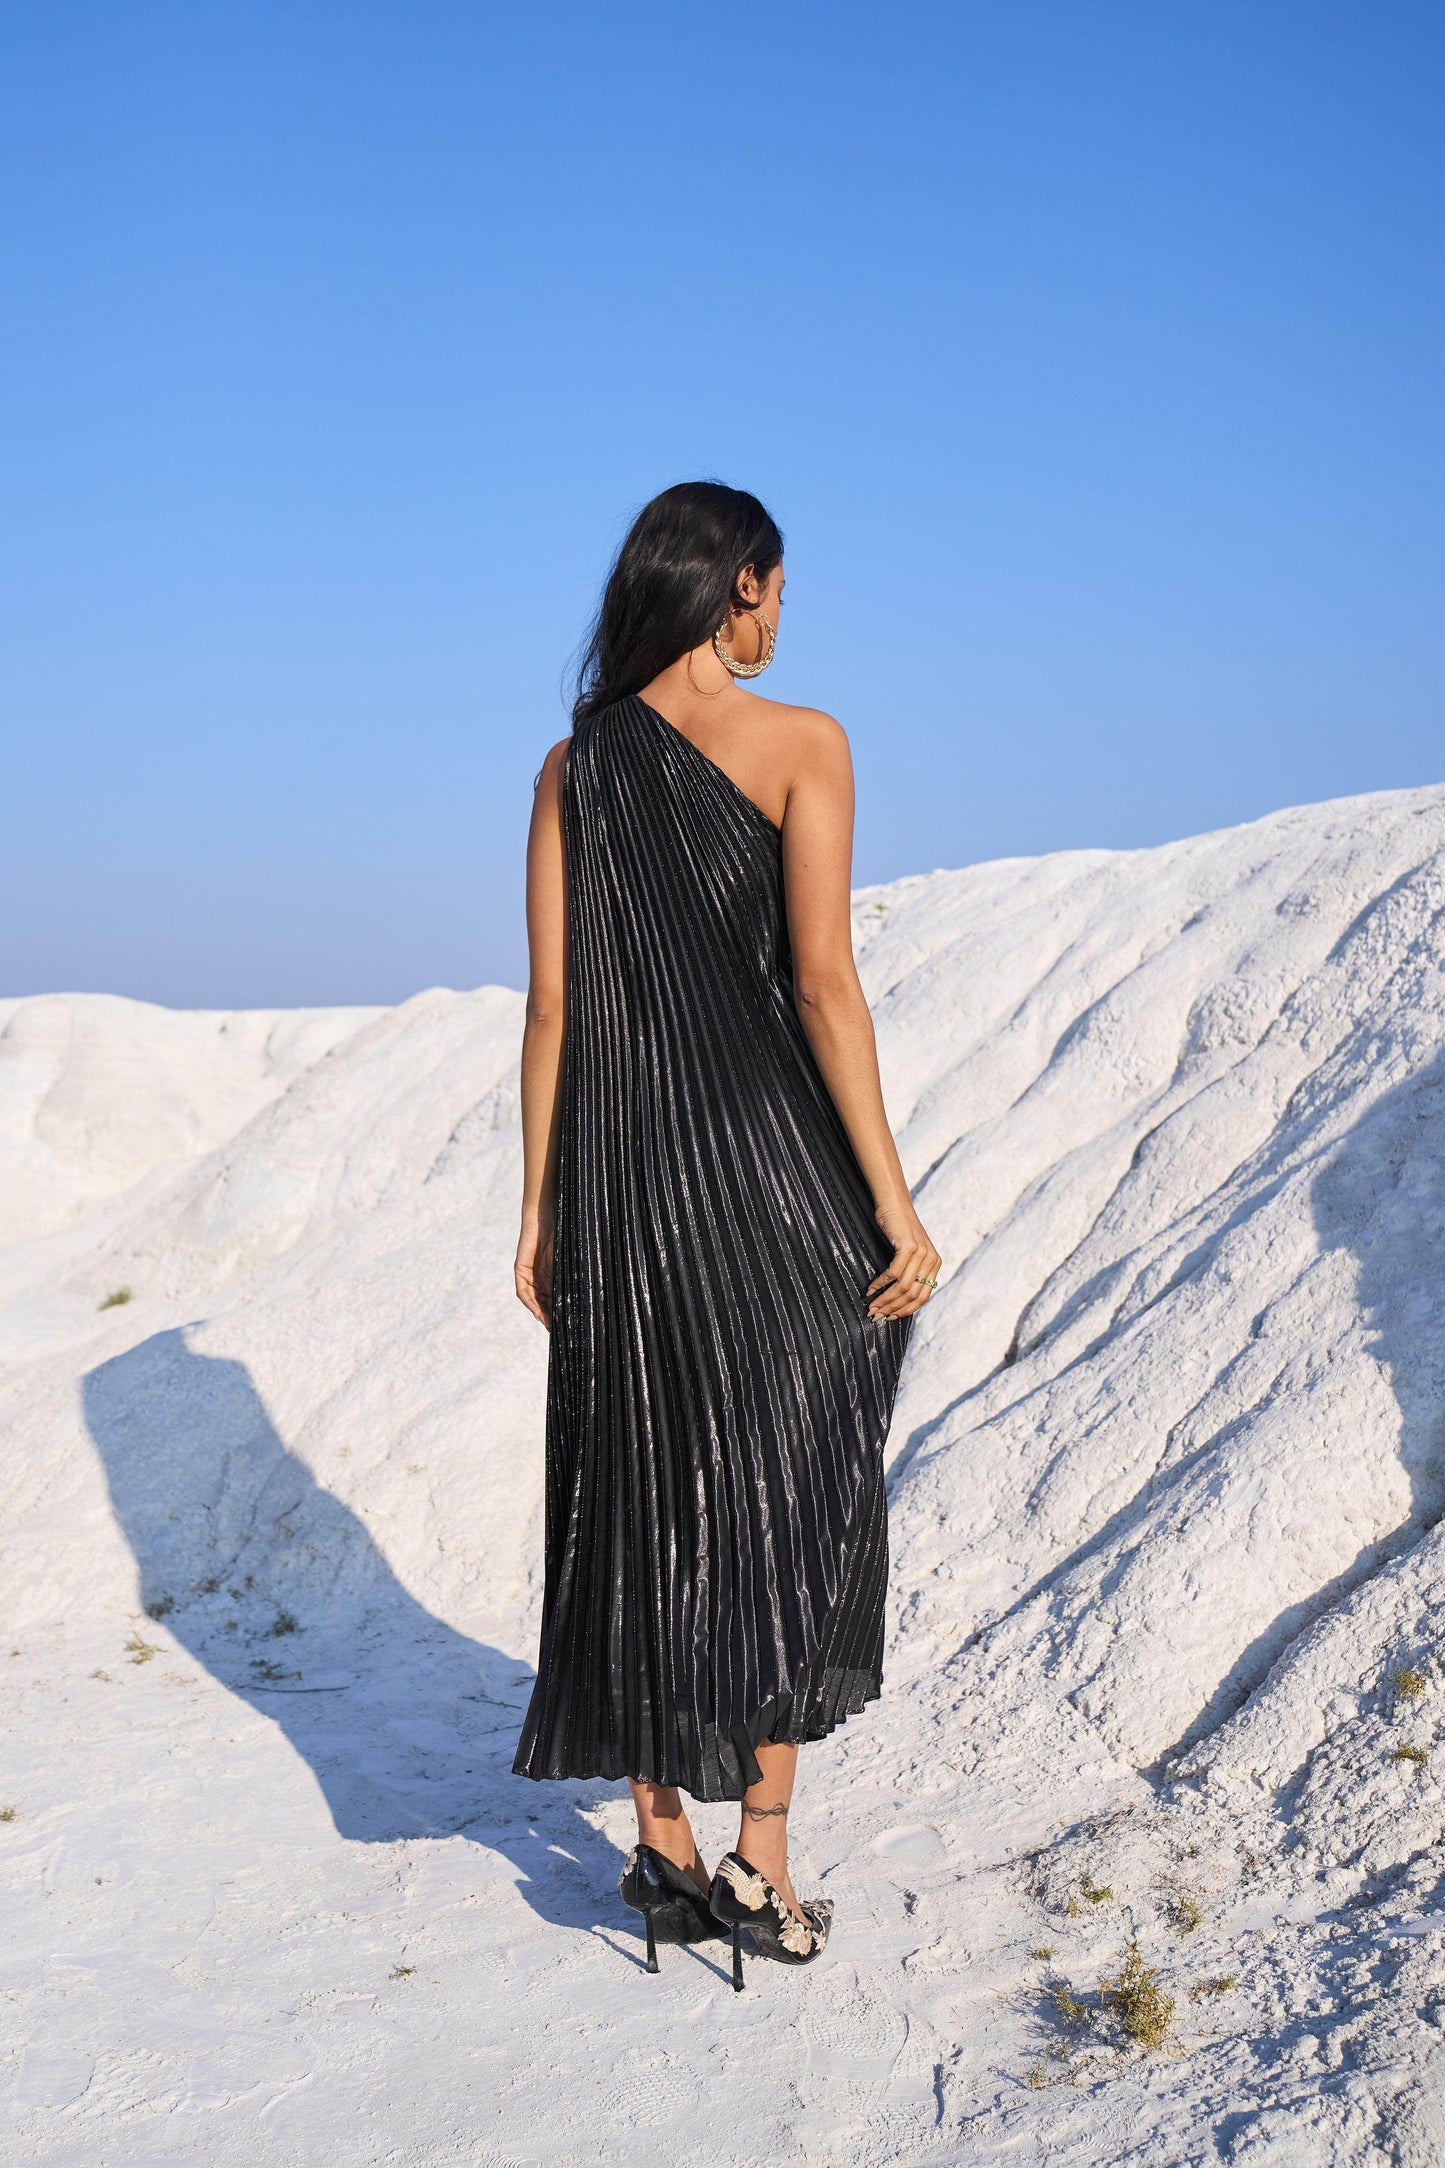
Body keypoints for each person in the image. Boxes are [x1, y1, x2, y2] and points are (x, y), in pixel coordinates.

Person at [511, 481, 940, 1987]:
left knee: (637, 1484)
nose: (776, 624)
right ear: (736, 584)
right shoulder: (804, 742)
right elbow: (823, 986)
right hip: (771, 1174)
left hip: (625, 1191)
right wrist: (891, 1199)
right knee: (793, 1483)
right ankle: (761, 1854)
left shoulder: (572, 766)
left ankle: (662, 1844)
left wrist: (541, 1207)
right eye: (774, 594)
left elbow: (553, 1008)